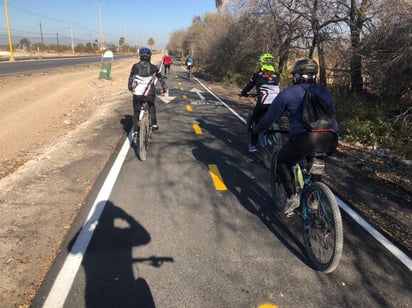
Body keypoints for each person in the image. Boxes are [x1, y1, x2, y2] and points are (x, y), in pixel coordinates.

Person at [256, 59, 339, 215]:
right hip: (330, 137)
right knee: (315, 159)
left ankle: (292, 197)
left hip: (306, 138)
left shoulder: (288, 93)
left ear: (297, 76)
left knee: (282, 160)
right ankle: (314, 199)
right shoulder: (325, 92)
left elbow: (271, 116)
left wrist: (260, 129)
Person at [239, 53, 281, 152]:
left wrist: (243, 93)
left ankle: (253, 145)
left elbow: (249, 87)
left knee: (255, 120)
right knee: (274, 119)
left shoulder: (257, 75)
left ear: (261, 62)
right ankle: (274, 135)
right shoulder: (278, 75)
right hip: (278, 103)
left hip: (263, 102)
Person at [128, 47, 166, 139]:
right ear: (150, 56)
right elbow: (161, 78)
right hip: (149, 94)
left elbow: (130, 79)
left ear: (140, 56)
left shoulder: (135, 67)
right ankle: (154, 124)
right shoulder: (154, 68)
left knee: (136, 112)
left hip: (137, 94)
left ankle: (136, 131)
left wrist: (130, 88)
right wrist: (164, 87)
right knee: (152, 106)